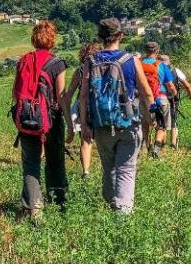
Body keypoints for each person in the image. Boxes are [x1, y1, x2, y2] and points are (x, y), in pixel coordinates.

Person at [80, 18, 154, 214]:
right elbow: (146, 92)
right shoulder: (131, 60)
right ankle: (122, 216)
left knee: (109, 168)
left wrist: (84, 124)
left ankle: (110, 204)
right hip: (128, 123)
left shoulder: (91, 61)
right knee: (126, 169)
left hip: (101, 124)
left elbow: (84, 95)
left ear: (100, 37)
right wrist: (152, 115)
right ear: (120, 35)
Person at [16, 20, 68, 220]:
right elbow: (61, 96)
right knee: (55, 162)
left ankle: (33, 210)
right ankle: (58, 202)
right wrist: (71, 125)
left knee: (31, 164)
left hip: (27, 119)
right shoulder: (57, 63)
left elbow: (17, 92)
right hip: (51, 120)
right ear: (52, 40)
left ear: (34, 39)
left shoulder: (23, 60)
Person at [63, 42, 101, 179]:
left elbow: (69, 95)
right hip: (102, 106)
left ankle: (86, 172)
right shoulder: (106, 66)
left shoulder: (79, 71)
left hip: (84, 107)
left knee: (86, 139)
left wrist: (68, 114)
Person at [141, 42, 178, 159]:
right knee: (161, 126)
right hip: (160, 98)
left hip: (144, 100)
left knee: (145, 125)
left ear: (145, 51)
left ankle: (146, 148)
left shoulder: (139, 65)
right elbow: (170, 86)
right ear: (157, 52)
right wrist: (174, 95)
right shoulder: (161, 65)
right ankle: (156, 150)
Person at [160, 55, 191, 150]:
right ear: (169, 61)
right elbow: (187, 85)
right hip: (172, 99)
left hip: (158, 98)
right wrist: (190, 94)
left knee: (162, 122)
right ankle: (173, 145)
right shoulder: (176, 71)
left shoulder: (156, 69)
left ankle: (161, 145)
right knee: (173, 121)